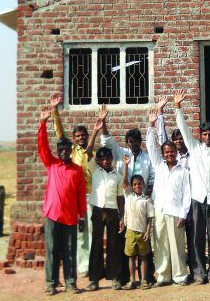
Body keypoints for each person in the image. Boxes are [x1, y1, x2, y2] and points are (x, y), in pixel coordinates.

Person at [174, 89, 210, 284]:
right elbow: (184, 129)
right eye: (204, 134)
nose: (207, 136)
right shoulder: (194, 147)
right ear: (201, 135)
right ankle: (198, 273)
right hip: (196, 198)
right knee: (196, 237)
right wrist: (178, 107)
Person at [50, 93, 104, 278]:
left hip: (90, 196)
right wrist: (55, 110)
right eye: (78, 136)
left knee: (92, 232)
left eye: (83, 135)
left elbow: (88, 151)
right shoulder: (70, 151)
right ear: (73, 138)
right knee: (80, 233)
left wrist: (96, 131)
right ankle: (82, 266)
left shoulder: (92, 152)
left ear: (87, 137)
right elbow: (59, 132)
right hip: (74, 199)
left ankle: (93, 265)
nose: (81, 138)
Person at [37, 106, 87, 295]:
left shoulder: (77, 170)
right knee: (52, 250)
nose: (64, 152)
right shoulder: (51, 164)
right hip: (52, 215)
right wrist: (43, 123)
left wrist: (82, 216)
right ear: (58, 151)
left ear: (71, 151)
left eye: (67, 149)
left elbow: (81, 195)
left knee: (70, 251)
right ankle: (51, 283)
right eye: (61, 149)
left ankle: (71, 283)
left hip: (70, 217)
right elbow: (42, 146)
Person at [146, 107, 191, 286]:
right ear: (163, 154)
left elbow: (186, 194)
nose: (169, 154)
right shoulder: (159, 166)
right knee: (161, 245)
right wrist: (151, 125)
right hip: (160, 211)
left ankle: (180, 276)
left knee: (177, 245)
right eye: (166, 152)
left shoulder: (183, 171)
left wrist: (183, 214)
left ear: (175, 153)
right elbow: (150, 146)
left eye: (172, 151)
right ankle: (163, 276)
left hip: (176, 212)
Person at [86, 128, 125, 291]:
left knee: (113, 244)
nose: (105, 161)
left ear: (111, 159)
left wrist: (122, 217)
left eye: (108, 158)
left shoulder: (117, 176)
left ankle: (115, 278)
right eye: (101, 159)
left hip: (112, 212)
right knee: (96, 244)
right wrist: (95, 131)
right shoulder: (95, 170)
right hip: (97, 210)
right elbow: (88, 151)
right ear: (97, 160)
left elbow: (120, 198)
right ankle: (94, 279)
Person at [121, 154, 155, 290]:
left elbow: (150, 218)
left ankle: (144, 280)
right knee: (131, 257)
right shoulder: (128, 195)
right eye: (134, 184)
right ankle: (132, 280)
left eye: (140, 184)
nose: (137, 186)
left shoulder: (146, 200)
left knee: (143, 257)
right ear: (131, 186)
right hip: (130, 231)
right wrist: (125, 165)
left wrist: (147, 232)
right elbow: (124, 181)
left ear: (144, 185)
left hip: (142, 233)